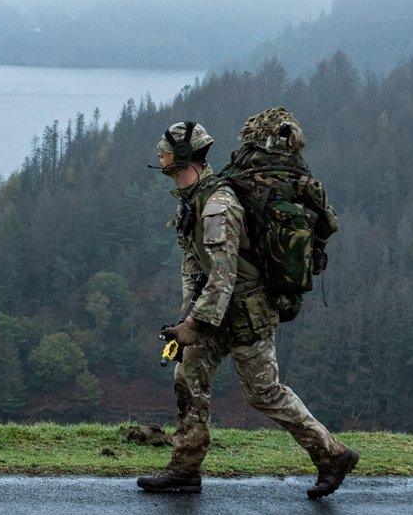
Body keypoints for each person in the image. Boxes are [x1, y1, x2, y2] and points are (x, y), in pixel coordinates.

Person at [135, 120, 358, 499]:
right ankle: (185, 468)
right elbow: (194, 262)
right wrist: (187, 317)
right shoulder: (194, 198)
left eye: (166, 149)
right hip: (216, 310)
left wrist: (193, 321)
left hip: (247, 312)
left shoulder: (218, 203)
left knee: (264, 392)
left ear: (185, 156)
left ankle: (333, 455)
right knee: (188, 374)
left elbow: (223, 273)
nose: (160, 155)